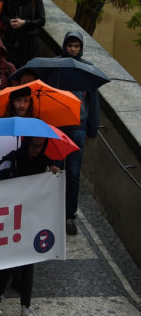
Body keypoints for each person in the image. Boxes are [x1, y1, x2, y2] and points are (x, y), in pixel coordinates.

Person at [0, 136, 59, 316]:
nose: (37, 149)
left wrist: (54, 177)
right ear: (26, 143)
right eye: (34, 145)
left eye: (41, 146)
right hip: (9, 219)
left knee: (29, 262)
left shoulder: (45, 164)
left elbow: (50, 191)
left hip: (31, 219)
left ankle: (25, 307)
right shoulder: (10, 161)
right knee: (7, 260)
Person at [57, 31, 100, 236]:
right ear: (64, 46)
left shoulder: (87, 69)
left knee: (73, 173)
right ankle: (53, 212)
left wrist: (93, 127)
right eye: (70, 45)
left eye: (76, 46)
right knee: (54, 171)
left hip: (78, 126)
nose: (73, 49)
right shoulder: (56, 66)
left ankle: (69, 215)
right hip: (57, 125)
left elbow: (93, 101)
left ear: (81, 47)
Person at [0, 0, 46, 69]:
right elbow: (3, 17)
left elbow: (42, 20)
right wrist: (10, 21)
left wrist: (24, 23)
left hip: (29, 41)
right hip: (12, 40)